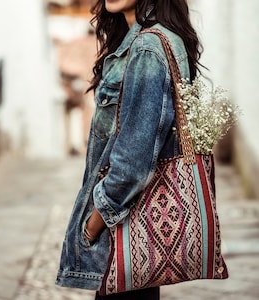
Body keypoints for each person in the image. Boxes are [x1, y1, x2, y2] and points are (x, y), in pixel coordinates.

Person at [56, 0, 203, 299]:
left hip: (123, 227)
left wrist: (92, 224)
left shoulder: (148, 47)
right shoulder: (152, 39)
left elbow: (133, 162)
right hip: (143, 228)